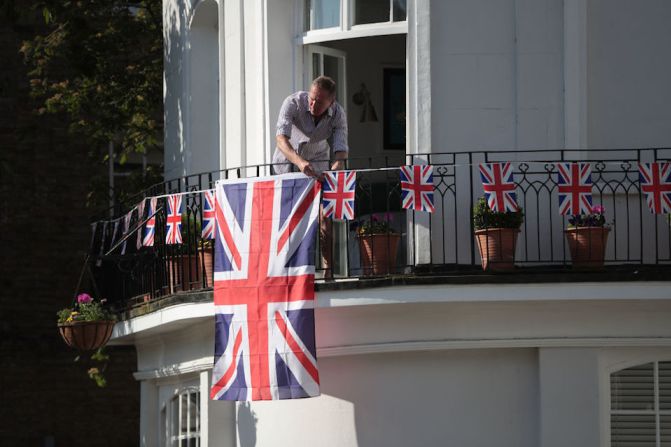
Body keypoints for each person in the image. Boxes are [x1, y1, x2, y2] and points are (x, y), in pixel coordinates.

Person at [272, 76, 349, 277]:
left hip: (318, 165)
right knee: (289, 219)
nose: (314, 104)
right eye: (312, 99)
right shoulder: (293, 103)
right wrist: (299, 162)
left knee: (325, 217)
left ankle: (328, 270)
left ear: (331, 102)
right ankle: (286, 271)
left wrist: (338, 163)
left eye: (320, 102)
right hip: (287, 165)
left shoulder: (338, 114)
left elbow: (341, 147)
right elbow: (281, 139)